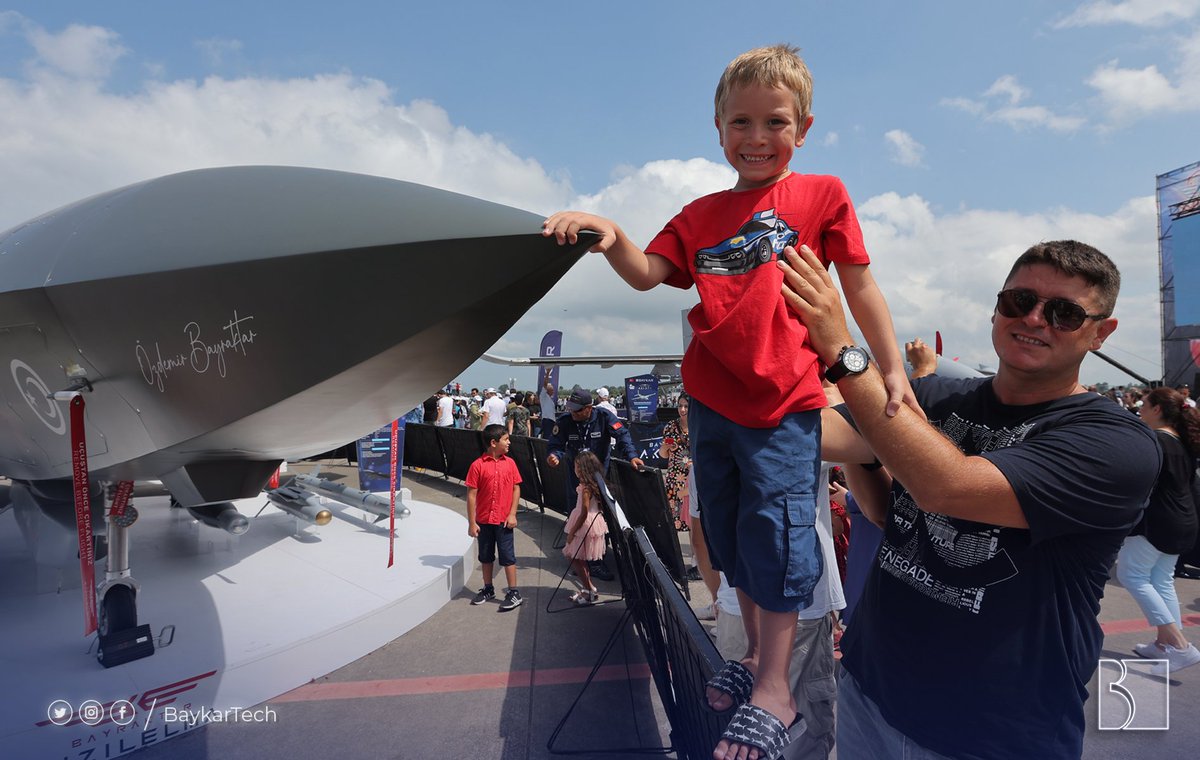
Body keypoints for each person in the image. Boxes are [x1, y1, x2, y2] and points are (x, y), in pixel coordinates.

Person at [544, 44, 915, 760]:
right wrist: (613, 234)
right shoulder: (702, 213)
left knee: (778, 534)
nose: (756, 137)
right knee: (734, 534)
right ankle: (752, 661)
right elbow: (650, 274)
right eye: (740, 122)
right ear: (717, 128)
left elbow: (861, 286)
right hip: (712, 401)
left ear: (803, 128)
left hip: (783, 402)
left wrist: (892, 369)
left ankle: (774, 685)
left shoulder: (823, 195)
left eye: (775, 122)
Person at [780, 239, 1160, 759]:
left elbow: (946, 488)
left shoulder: (1115, 442)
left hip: (990, 730)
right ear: (997, 306)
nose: (1035, 319)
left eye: (1065, 313)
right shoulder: (938, 397)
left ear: (1101, 333)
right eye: (1019, 302)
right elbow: (832, 447)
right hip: (871, 692)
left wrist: (843, 350)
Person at [1118, 386, 1200, 674]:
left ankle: (1178, 645)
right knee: (1160, 579)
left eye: (1145, 405)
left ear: (1157, 410)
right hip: (1182, 521)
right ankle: (1165, 645)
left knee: (1132, 574)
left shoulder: (1156, 441)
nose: (1140, 409)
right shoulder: (1182, 443)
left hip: (1158, 522)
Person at [465, 425, 524, 612]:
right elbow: (471, 495)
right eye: (506, 439)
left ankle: (514, 592)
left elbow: (516, 488)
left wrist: (512, 513)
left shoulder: (511, 463)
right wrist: (472, 522)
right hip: (483, 521)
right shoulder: (477, 465)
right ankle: (488, 588)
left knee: (508, 557)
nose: (509, 442)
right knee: (486, 556)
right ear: (493, 442)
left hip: (504, 520)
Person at [562, 451, 610, 605]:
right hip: (592, 522)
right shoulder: (592, 485)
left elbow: (583, 513)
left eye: (576, 466)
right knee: (579, 557)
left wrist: (572, 532)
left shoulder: (586, 488)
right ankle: (586, 589)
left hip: (585, 524)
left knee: (573, 555)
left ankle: (589, 589)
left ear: (582, 468)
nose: (574, 469)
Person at [658, 392, 693, 532]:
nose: (682, 409)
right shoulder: (670, 426)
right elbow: (663, 455)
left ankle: (695, 554)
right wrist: (665, 447)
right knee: (674, 522)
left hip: (691, 478)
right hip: (674, 479)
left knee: (693, 522)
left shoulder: (698, 426)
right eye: (680, 406)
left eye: (686, 406)